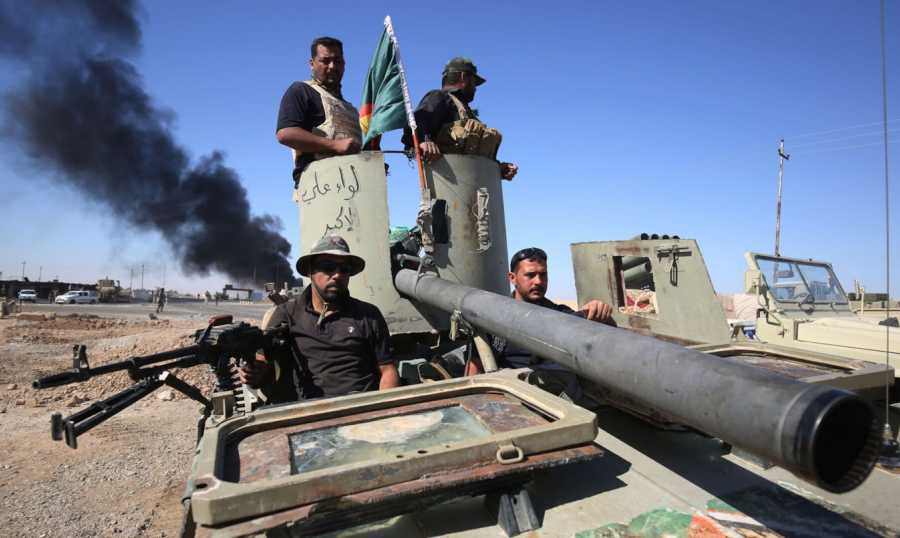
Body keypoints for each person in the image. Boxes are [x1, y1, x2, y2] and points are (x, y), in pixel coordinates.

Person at [239, 235, 400, 402]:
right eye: (328, 267)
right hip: (310, 411)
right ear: (310, 271)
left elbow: (388, 370)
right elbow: (263, 366)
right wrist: (254, 373)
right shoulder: (286, 314)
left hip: (361, 407)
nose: (337, 275)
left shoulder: (368, 315)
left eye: (344, 269)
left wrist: (384, 408)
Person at [465, 248, 616, 398]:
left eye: (543, 275)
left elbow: (606, 339)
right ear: (512, 278)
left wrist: (601, 315)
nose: (538, 281)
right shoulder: (494, 318)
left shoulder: (560, 314)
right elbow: (474, 370)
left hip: (556, 398)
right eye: (530, 275)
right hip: (510, 396)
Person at [402, 57, 518, 180]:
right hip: (449, 187)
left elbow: (473, 158)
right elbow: (412, 128)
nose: (475, 88)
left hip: (480, 187)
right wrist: (422, 141)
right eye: (474, 82)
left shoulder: (469, 114)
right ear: (463, 77)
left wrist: (498, 168)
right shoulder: (440, 97)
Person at [276, 36, 362, 184]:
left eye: (337, 61)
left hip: (354, 186)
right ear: (312, 64)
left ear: (344, 64)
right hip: (318, 187)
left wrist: (371, 163)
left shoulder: (351, 109)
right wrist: (335, 145)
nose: (332, 66)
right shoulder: (301, 90)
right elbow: (285, 134)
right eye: (325, 61)